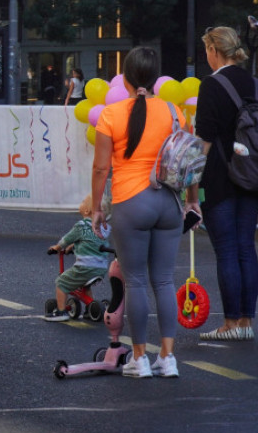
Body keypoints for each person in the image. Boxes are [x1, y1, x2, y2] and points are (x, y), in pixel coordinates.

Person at [91, 46, 192, 378]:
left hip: (130, 202)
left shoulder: (110, 114)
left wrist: (96, 209)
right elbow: (188, 161)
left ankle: (139, 359)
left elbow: (101, 169)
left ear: (127, 78)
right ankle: (168, 358)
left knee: (134, 282)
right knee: (164, 280)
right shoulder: (176, 112)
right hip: (168, 202)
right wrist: (192, 201)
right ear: (155, 77)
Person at [194, 26, 258, 341]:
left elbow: (203, 141)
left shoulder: (211, 85)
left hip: (219, 176)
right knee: (247, 246)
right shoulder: (254, 83)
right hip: (251, 176)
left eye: (207, 50)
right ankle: (247, 321)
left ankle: (231, 323)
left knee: (227, 249)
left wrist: (190, 184)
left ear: (215, 50)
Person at [43, 194, 110, 321]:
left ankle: (61, 312)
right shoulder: (102, 228)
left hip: (85, 267)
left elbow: (67, 239)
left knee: (61, 282)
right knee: (85, 285)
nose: (81, 202)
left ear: (86, 210)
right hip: (100, 268)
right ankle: (90, 308)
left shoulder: (81, 226)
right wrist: (74, 247)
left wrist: (57, 247)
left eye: (83, 201)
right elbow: (90, 242)